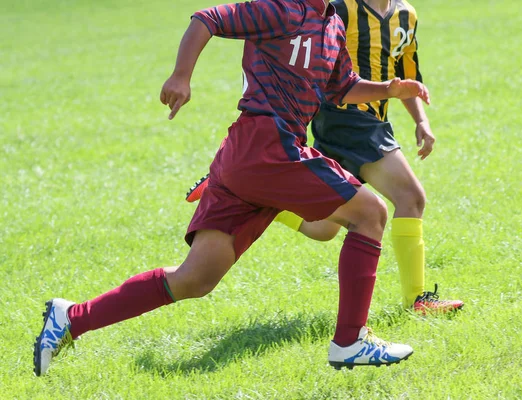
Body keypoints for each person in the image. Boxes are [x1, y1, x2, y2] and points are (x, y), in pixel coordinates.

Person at [33, 0, 432, 376]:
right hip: (267, 144)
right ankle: (350, 341)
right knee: (371, 213)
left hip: (249, 157)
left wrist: (388, 90)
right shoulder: (282, 8)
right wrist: (181, 76)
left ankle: (72, 318)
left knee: (195, 279)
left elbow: (341, 86)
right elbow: (208, 19)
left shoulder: (331, 22)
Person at [186, 0, 464, 315]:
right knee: (410, 197)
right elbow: (320, 64)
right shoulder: (339, 8)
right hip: (349, 121)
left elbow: (404, 74)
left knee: (324, 229)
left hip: (368, 119)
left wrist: (421, 121)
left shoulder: (406, 15)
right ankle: (417, 300)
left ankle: (258, 196)